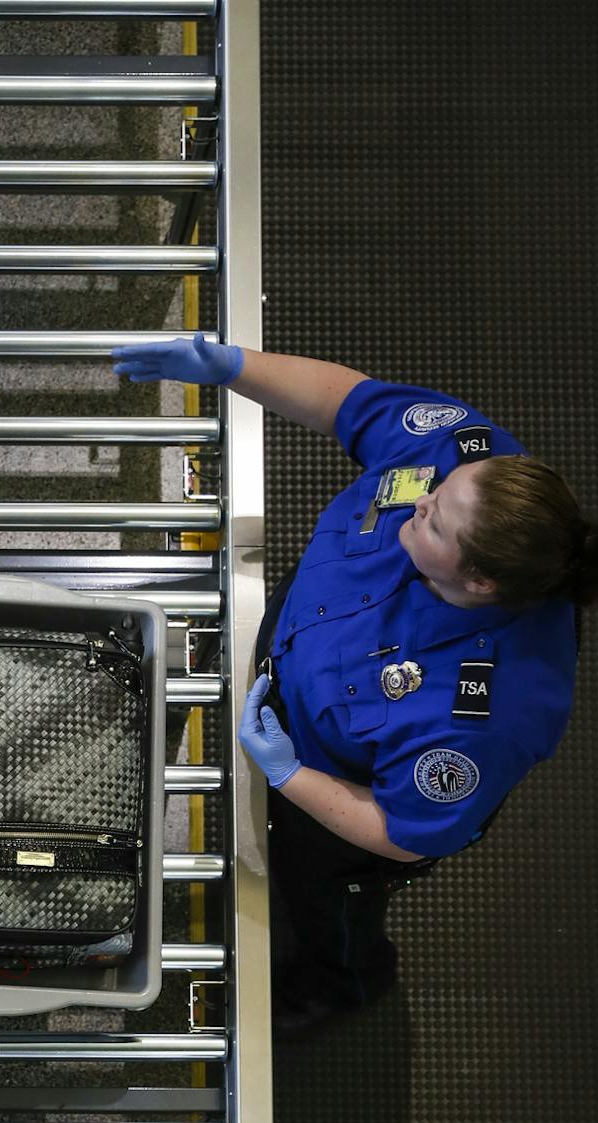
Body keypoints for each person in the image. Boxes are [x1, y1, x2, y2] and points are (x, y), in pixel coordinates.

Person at [112, 336, 597, 1034]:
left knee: (326, 904)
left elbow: (403, 833)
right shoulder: (468, 461)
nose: (421, 497)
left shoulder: (485, 716)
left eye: (435, 519)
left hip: (336, 800)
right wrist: (234, 367)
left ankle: (336, 988)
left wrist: (288, 775)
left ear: (479, 581)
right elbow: (350, 402)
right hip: (305, 637)